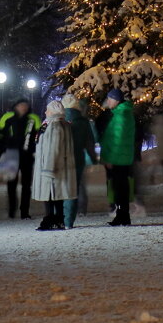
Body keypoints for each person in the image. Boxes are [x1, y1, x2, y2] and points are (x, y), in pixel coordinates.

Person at [0, 99, 41, 219]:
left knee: (26, 185)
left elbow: (39, 135)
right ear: (16, 106)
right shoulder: (7, 117)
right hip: (11, 154)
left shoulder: (34, 118)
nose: (23, 108)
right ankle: (12, 210)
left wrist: (34, 148)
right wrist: (4, 147)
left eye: (26, 106)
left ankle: (25, 211)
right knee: (11, 184)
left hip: (27, 155)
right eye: (21, 105)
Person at [31, 100, 76, 231]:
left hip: (52, 167)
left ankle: (50, 219)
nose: (45, 112)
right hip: (60, 166)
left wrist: (48, 168)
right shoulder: (63, 125)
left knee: (50, 194)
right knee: (57, 195)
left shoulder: (54, 126)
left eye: (48, 109)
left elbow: (53, 148)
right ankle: (58, 219)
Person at [61, 93, 98, 229]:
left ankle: (58, 217)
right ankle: (69, 220)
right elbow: (90, 143)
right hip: (77, 159)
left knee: (60, 188)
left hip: (61, 159)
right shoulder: (83, 122)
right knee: (73, 189)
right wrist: (93, 158)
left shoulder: (60, 119)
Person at [101, 88, 136, 226]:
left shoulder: (121, 115)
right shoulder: (121, 114)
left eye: (110, 99)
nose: (108, 102)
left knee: (120, 188)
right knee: (119, 187)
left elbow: (118, 139)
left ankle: (123, 216)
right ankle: (121, 215)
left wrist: (110, 158)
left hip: (119, 159)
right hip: (121, 157)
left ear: (116, 100)